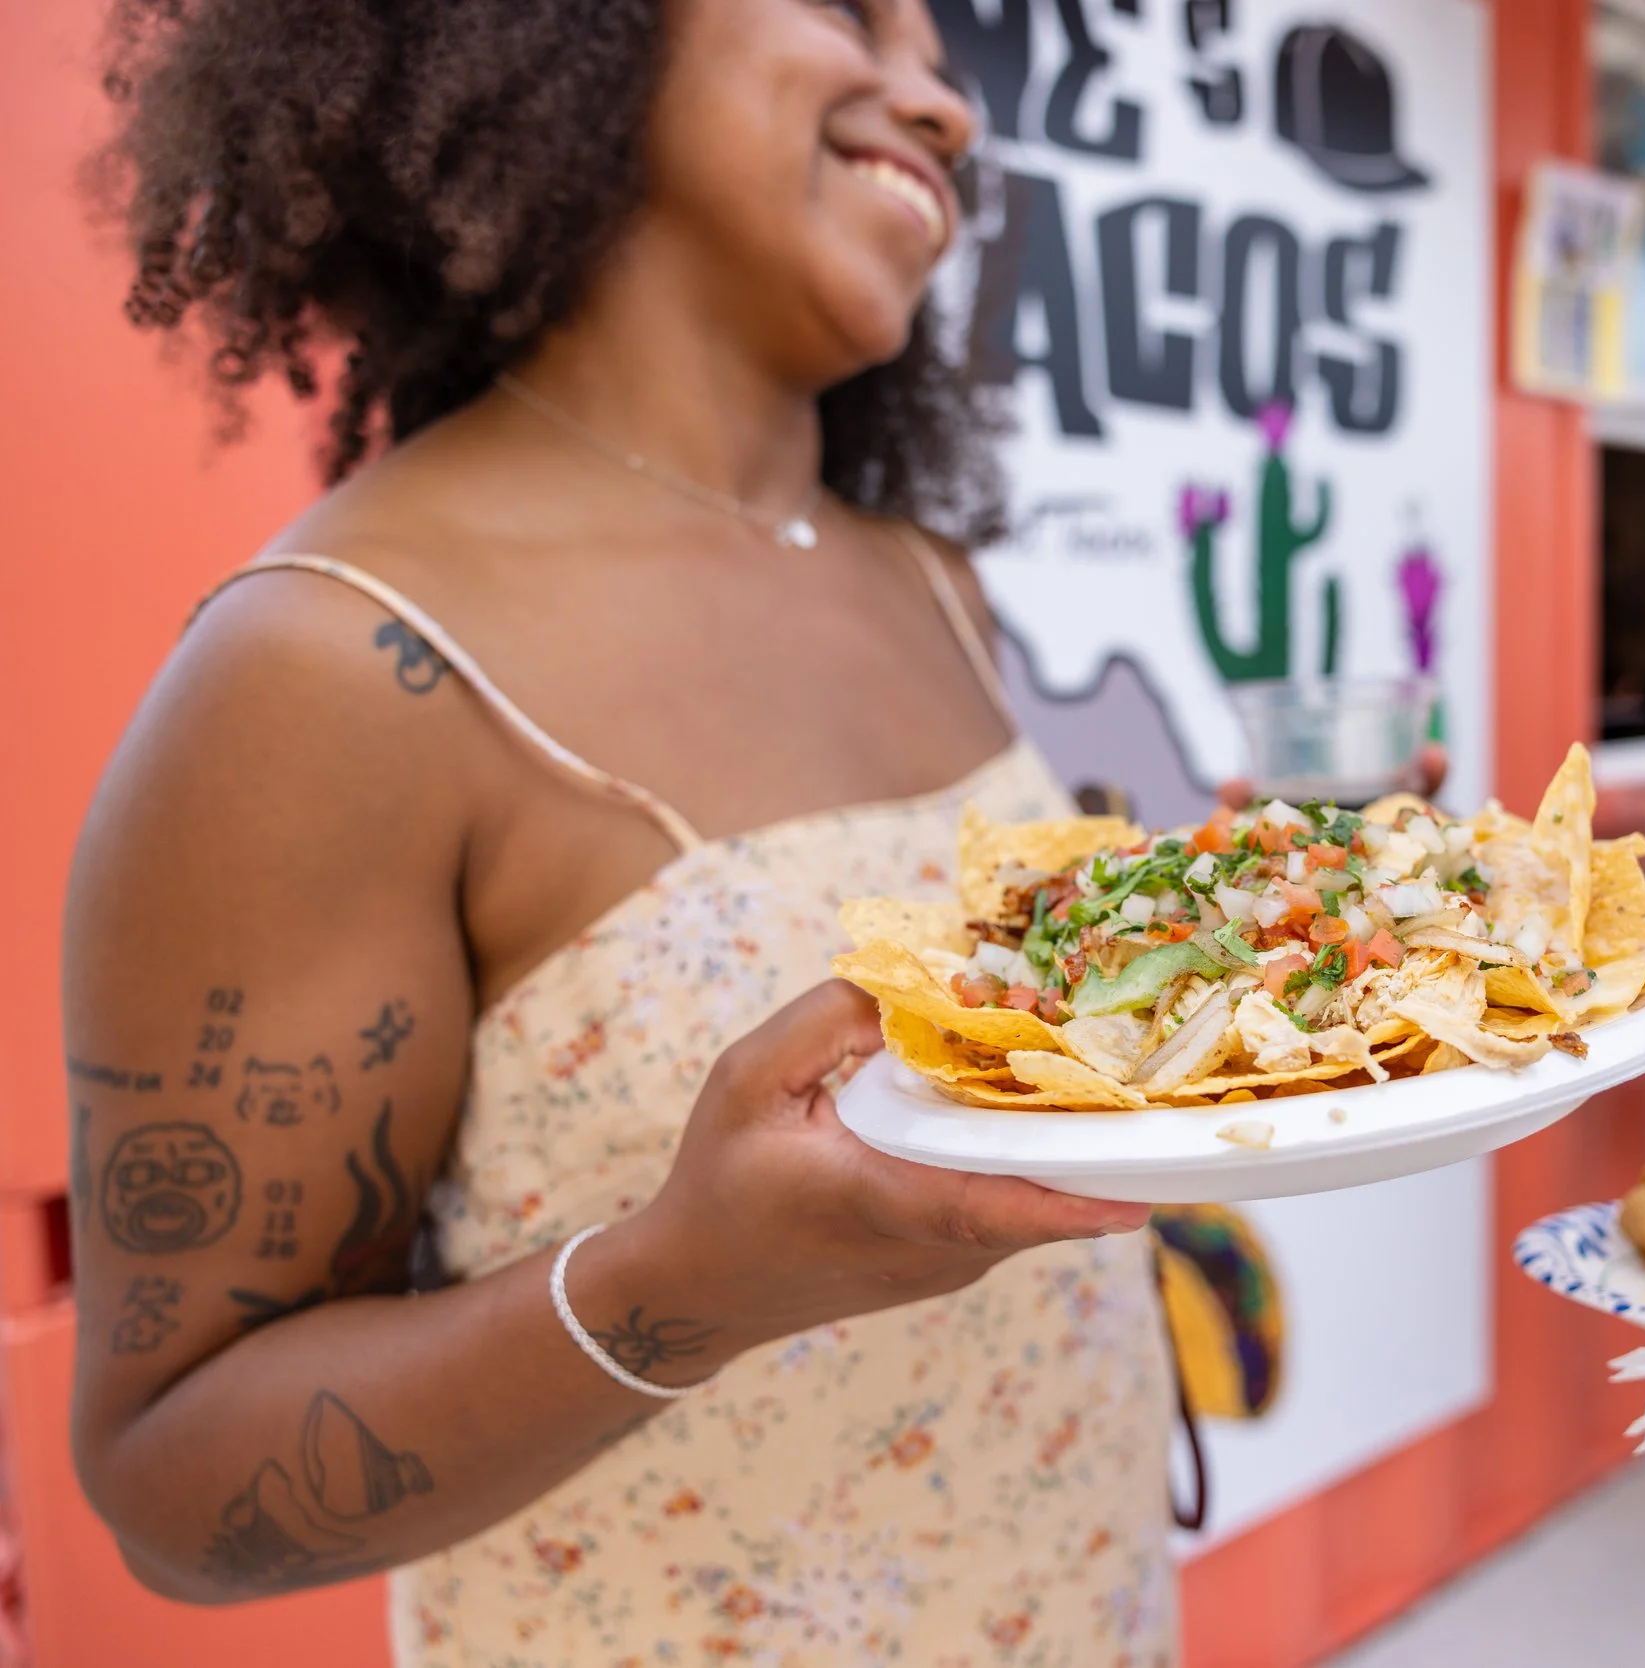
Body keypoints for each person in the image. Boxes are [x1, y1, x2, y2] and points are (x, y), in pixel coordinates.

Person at [64, 2, 1180, 1661]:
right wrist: (688, 1283)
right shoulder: (330, 666)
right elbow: (171, 1483)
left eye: (946, 59)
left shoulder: (930, 586)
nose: (939, 106)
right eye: (848, 11)